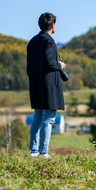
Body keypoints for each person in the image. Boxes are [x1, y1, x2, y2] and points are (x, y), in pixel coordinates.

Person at [27, 12, 66, 157]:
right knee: (48, 119)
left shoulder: (32, 41)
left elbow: (30, 67)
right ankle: (44, 152)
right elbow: (49, 62)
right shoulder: (49, 41)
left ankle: (34, 151)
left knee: (37, 118)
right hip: (49, 85)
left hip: (36, 84)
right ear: (52, 25)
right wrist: (60, 65)